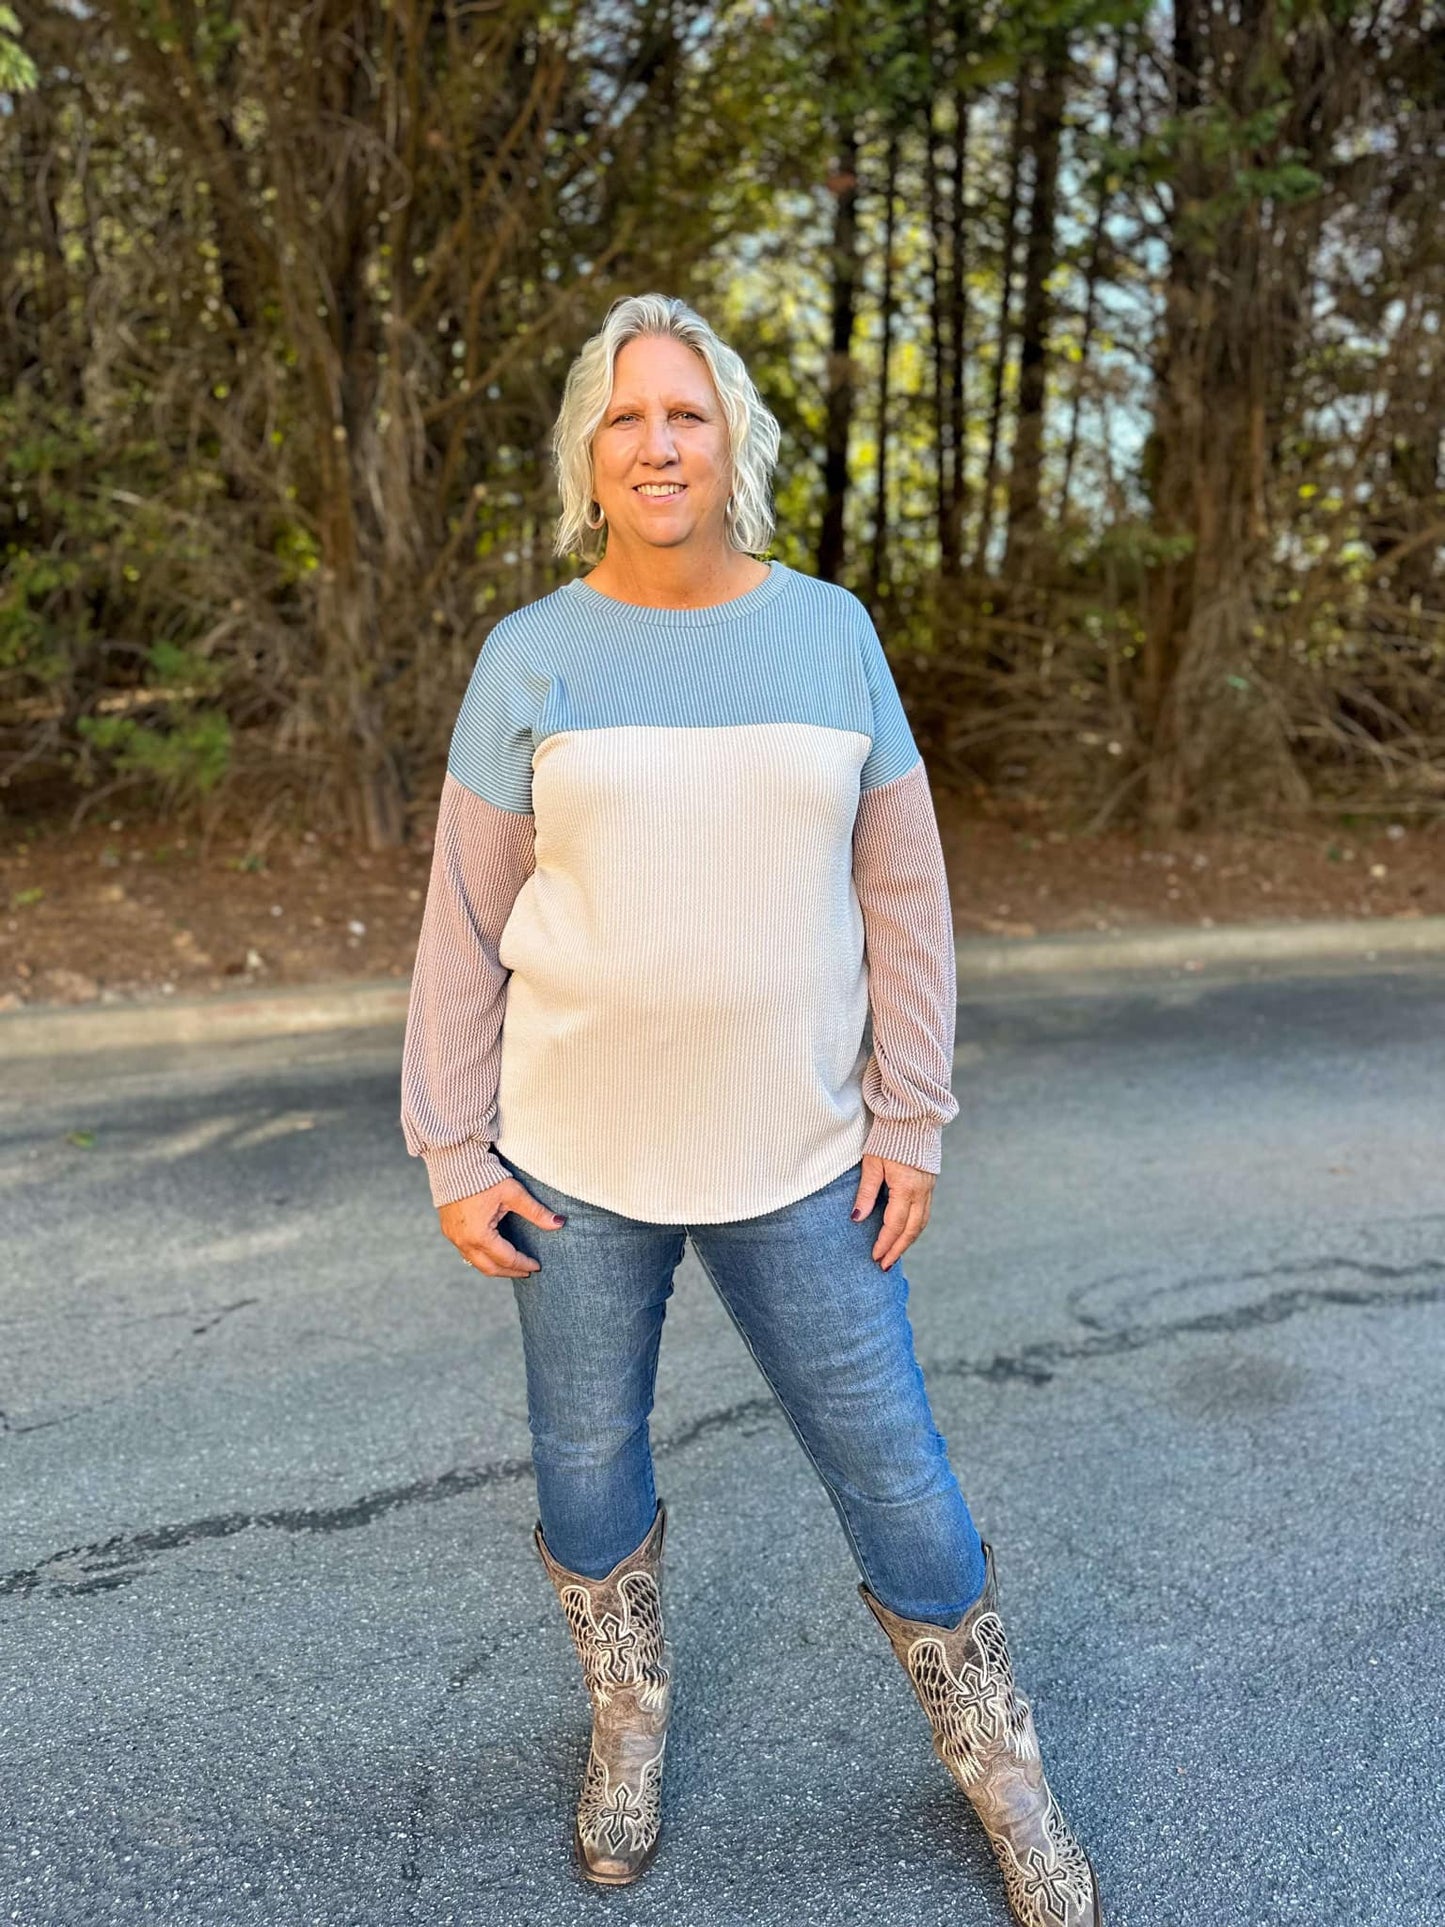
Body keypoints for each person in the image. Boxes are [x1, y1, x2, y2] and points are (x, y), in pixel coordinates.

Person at [399, 292, 1102, 1926]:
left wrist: (909, 1113)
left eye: (688, 413)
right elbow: (464, 919)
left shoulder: (830, 634)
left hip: (803, 1158)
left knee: (896, 1474)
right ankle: (627, 1724)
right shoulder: (532, 656)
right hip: (571, 1162)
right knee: (586, 1469)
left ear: (733, 446)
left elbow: (903, 889)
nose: (660, 441)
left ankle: (1002, 1767)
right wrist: (452, 1146)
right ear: (590, 452)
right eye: (629, 416)